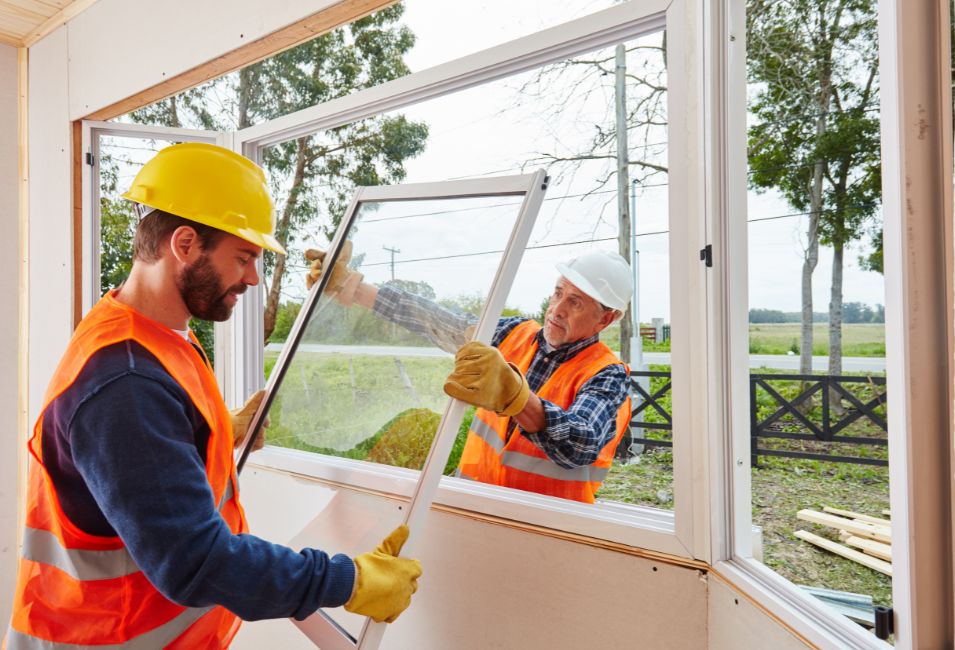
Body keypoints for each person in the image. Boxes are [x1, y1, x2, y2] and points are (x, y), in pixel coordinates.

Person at [6, 143, 421, 649]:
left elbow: (142, 461)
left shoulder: (155, 331)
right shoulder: (126, 382)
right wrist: (346, 581)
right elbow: (196, 562)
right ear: (184, 244)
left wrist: (216, 434)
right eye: (243, 258)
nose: (252, 277)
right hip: (107, 638)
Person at [307, 243, 634, 504]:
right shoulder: (512, 333)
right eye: (558, 292)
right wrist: (354, 289)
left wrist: (517, 398)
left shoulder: (607, 375)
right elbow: (436, 320)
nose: (557, 309)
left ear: (606, 319)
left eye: (575, 302)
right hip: (472, 504)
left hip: (545, 530)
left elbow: (580, 442)